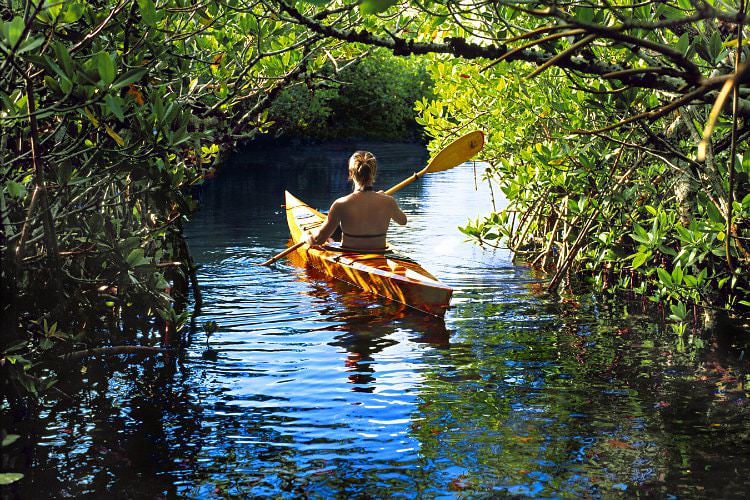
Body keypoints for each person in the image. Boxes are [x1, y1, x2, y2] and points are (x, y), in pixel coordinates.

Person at [305, 151, 407, 252]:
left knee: (328, 239)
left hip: (349, 254)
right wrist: (385, 198)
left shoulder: (340, 204)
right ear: (374, 173)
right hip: (378, 254)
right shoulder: (389, 202)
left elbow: (319, 240)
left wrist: (307, 237)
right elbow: (403, 221)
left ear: (351, 173)